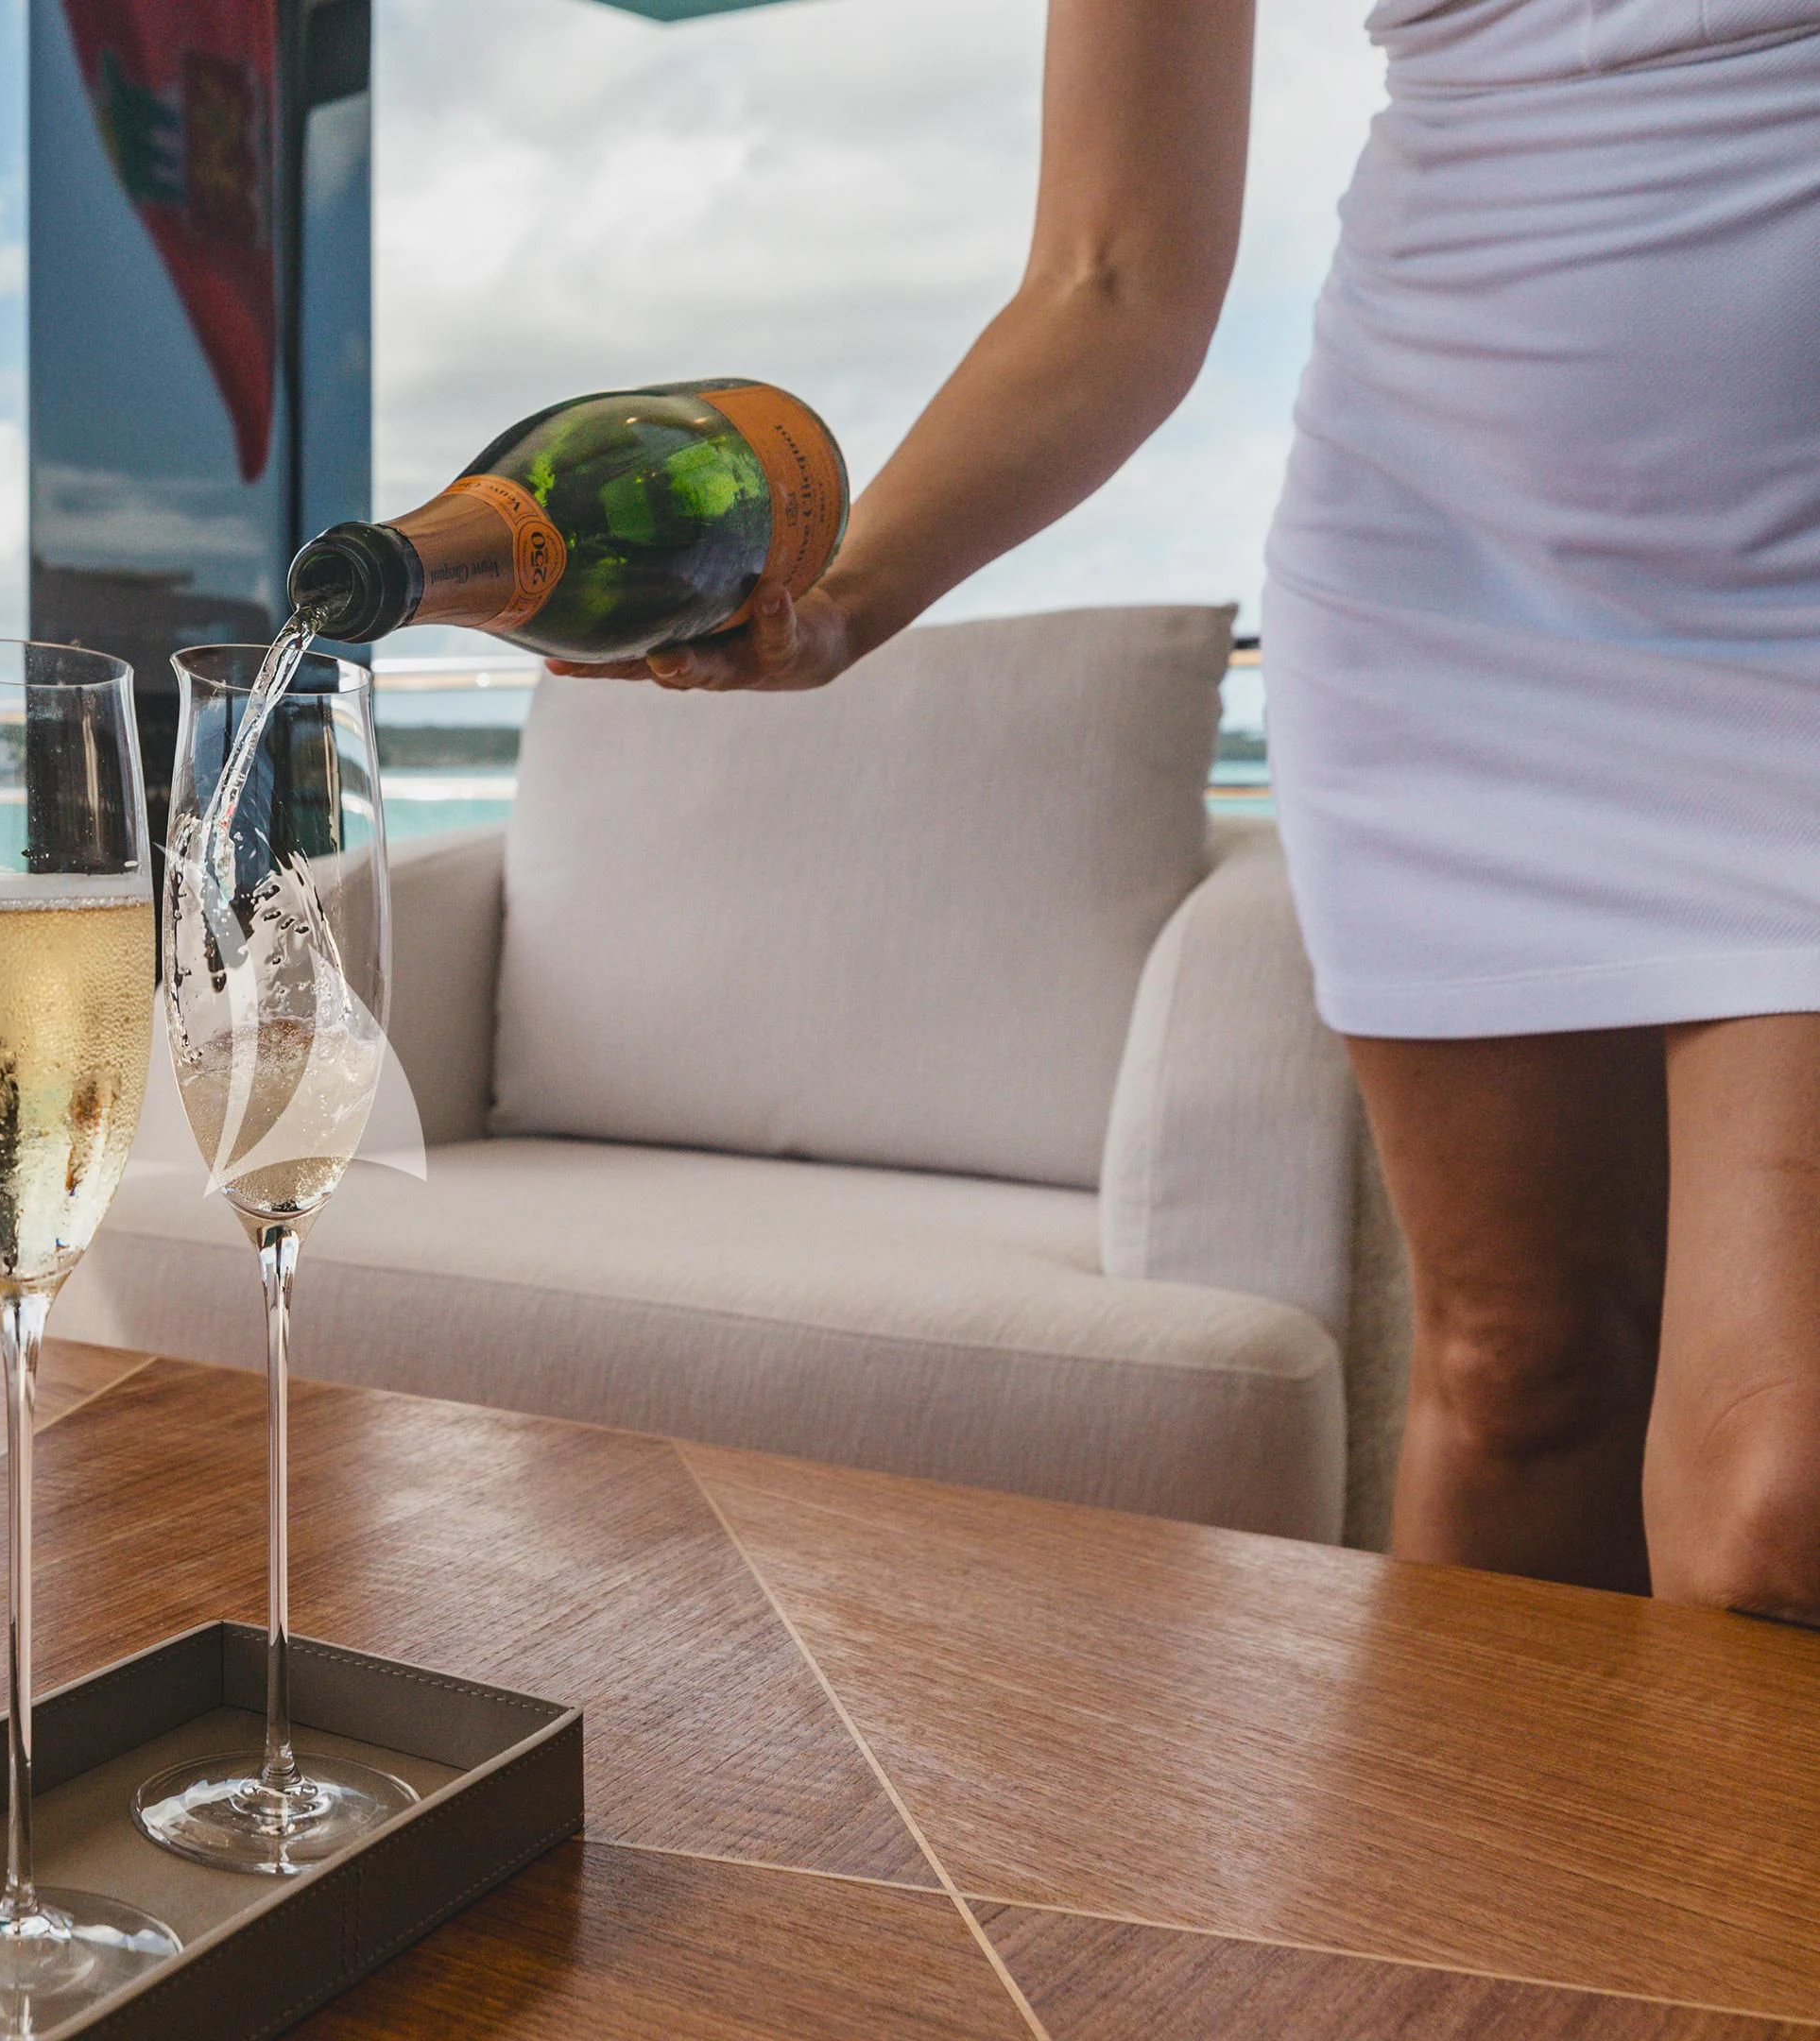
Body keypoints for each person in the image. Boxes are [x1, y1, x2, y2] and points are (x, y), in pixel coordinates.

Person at [553, 0, 1820, 1621]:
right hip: (1443, 591)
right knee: (1524, 1372)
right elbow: (1108, 275)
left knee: (1781, 1497)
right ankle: (1460, 1887)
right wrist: (849, 602)